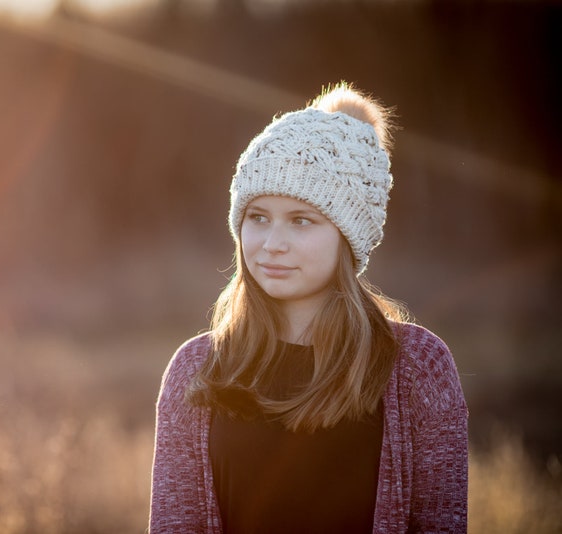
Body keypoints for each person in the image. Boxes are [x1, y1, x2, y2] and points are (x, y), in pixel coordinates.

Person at [148, 83, 468, 533]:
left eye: (301, 220)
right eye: (258, 217)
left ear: (348, 234)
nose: (272, 244)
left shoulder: (418, 368)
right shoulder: (195, 369)